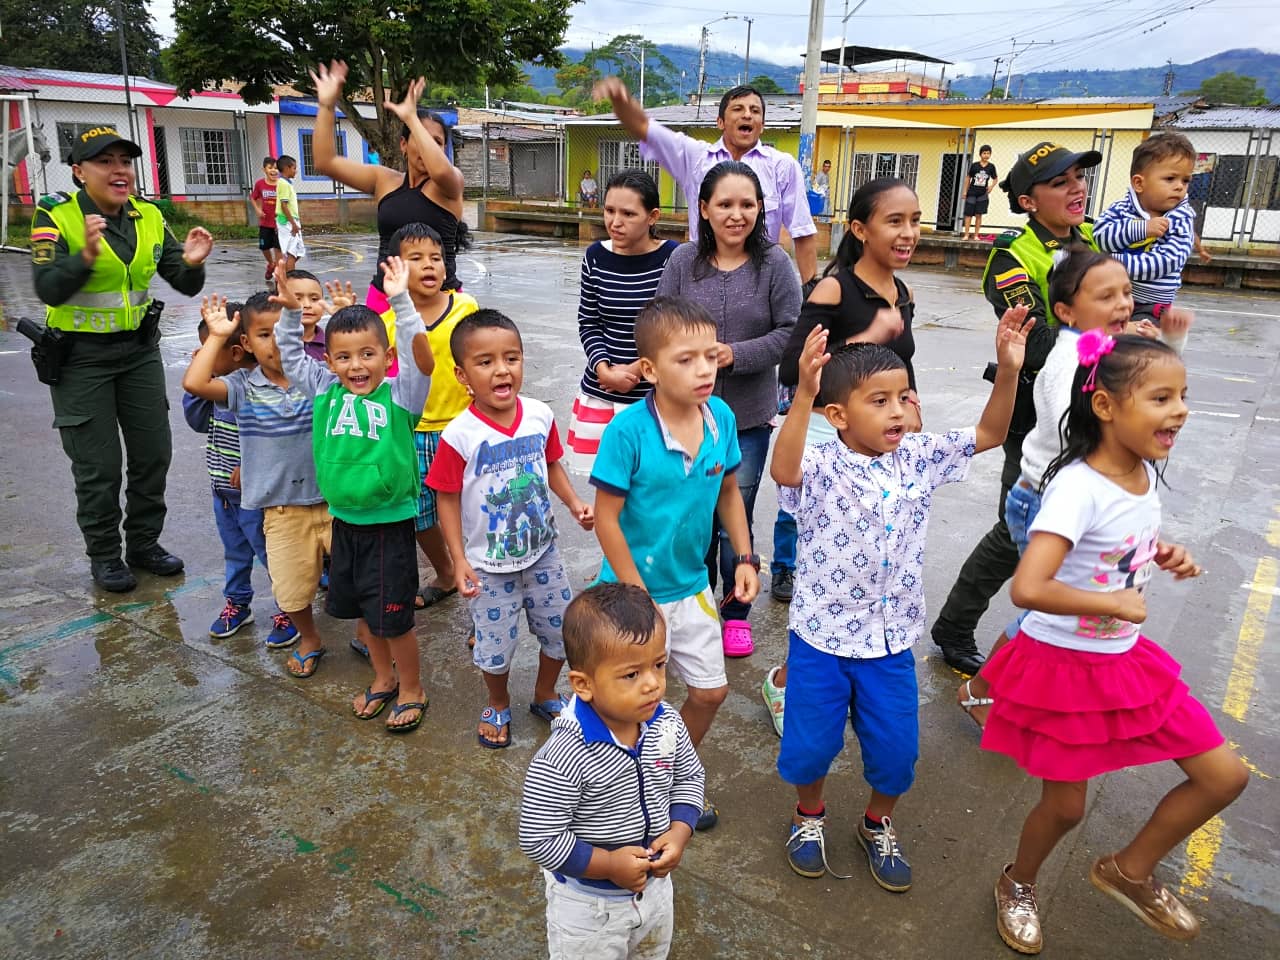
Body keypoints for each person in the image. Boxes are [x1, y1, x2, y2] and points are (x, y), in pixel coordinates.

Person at [984, 332, 1248, 954]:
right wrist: (1110, 601)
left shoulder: (1139, 473)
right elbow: (1028, 586)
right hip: (1063, 667)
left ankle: (1128, 871)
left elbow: (1116, 542)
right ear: (1105, 407)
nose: (1179, 409)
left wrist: (1159, 553)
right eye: (1160, 397)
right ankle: (1017, 883)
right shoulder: (1077, 487)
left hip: (1124, 661)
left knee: (1223, 776)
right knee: (1066, 808)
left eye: (1183, 395)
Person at [773, 308, 1031, 892]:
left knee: (896, 753)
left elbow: (988, 435)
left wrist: (1009, 372)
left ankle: (876, 822)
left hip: (890, 643)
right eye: (879, 400)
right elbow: (783, 468)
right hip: (821, 639)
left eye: (903, 397)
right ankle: (807, 814)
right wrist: (804, 394)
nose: (897, 411)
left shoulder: (918, 456)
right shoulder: (819, 462)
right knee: (810, 748)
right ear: (837, 415)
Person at [956, 248, 1166, 729]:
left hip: (1062, 500)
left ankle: (989, 689)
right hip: (1045, 502)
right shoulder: (1071, 360)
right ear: (1067, 312)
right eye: (1106, 296)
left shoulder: (1095, 349)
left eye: (1127, 294)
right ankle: (987, 690)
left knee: (1061, 610)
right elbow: (1088, 437)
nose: (1122, 305)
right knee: (1050, 609)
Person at [930, 140, 1103, 676]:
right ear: (1028, 202)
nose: (1076, 187)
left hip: (1092, 404)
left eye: (1078, 176)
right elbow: (1041, 338)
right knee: (1017, 529)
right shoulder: (1013, 254)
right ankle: (956, 626)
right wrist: (1114, 337)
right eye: (1060, 181)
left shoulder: (1091, 237)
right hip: (1034, 414)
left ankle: (1054, 644)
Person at [762, 177, 924, 736]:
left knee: (866, 565)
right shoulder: (836, 290)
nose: (908, 233)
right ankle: (787, 680)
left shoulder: (901, 293)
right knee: (822, 575)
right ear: (860, 229)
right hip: (826, 445)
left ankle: (821, 678)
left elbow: (900, 362)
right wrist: (863, 338)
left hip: (877, 448)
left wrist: (910, 400)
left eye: (914, 220)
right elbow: (790, 368)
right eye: (894, 221)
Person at [591, 297, 759, 832]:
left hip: (691, 588)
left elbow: (730, 490)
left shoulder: (722, 418)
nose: (704, 369)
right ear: (649, 369)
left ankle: (662, 775)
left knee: (709, 692)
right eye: (686, 359)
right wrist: (638, 598)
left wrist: (745, 557)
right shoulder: (629, 433)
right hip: (628, 597)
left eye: (710, 356)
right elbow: (607, 520)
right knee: (624, 704)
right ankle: (615, 784)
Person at [30, 124, 211, 592]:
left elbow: (184, 281)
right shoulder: (56, 214)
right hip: (80, 360)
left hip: (138, 353)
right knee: (99, 466)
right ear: (78, 171)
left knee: (154, 454)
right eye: (105, 161)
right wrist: (83, 258)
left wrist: (192, 262)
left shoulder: (148, 215)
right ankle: (106, 556)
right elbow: (47, 286)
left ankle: (144, 544)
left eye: (125, 161)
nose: (119, 170)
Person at [275, 256, 434, 733]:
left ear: (386, 358)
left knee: (394, 618)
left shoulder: (402, 394)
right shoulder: (324, 391)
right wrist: (288, 314)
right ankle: (383, 679)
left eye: (367, 354)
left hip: (389, 525)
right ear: (329, 360)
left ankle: (412, 688)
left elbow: (418, 353)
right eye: (343, 356)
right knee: (366, 614)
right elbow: (288, 356)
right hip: (346, 521)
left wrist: (402, 301)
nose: (355, 365)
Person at [426, 311, 595, 749]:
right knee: (495, 647)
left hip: (544, 554)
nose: (502, 369)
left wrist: (574, 503)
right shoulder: (458, 435)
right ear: (463, 375)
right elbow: (444, 496)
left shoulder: (539, 415)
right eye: (485, 362)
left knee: (562, 633)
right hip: (488, 567)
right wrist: (459, 559)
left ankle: (543, 693)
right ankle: (497, 701)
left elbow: (552, 464)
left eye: (511, 358)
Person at [654, 161, 799, 658]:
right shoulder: (682, 262)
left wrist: (736, 354)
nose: (736, 215)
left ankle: (736, 610)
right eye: (725, 204)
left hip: (749, 416)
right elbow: (662, 320)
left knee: (733, 511)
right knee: (692, 513)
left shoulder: (774, 263)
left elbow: (790, 332)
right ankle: (694, 605)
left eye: (747, 205)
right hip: (682, 415)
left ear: (760, 210)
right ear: (704, 209)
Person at [519, 583, 705, 960]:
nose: (653, 683)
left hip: (654, 891)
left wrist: (680, 831)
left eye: (658, 664)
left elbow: (689, 777)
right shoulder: (565, 755)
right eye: (631, 675)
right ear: (583, 685)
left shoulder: (665, 722)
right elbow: (539, 836)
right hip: (589, 908)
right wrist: (608, 865)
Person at [183, 284, 328, 679]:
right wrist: (215, 337)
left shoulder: (316, 379)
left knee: (355, 580)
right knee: (291, 589)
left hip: (332, 502)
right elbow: (195, 385)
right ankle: (309, 636)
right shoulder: (243, 388)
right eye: (266, 334)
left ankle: (367, 632)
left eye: (286, 332)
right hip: (280, 509)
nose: (277, 343)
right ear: (246, 342)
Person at [594, 78, 819, 287]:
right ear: (720, 121)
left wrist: (811, 296)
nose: (748, 115)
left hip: (760, 284)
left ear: (763, 124)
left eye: (755, 111)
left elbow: (803, 232)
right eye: (738, 109)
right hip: (704, 280)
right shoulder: (696, 159)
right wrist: (620, 102)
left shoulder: (783, 166)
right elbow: (647, 130)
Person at [182, 306, 298, 648]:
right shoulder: (217, 390)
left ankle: (287, 608)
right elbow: (197, 422)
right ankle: (238, 602)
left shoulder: (251, 389)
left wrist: (252, 464)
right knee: (234, 554)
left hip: (256, 495)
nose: (202, 358)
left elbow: (275, 435)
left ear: (234, 353)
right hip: (223, 492)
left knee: (271, 555)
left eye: (208, 351)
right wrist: (199, 380)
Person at [311, 63, 469, 312]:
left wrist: (411, 119)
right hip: (385, 297)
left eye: (437, 141)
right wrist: (327, 105)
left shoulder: (450, 183)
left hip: (439, 300)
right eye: (420, 139)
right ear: (404, 145)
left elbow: (439, 169)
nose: (430, 146)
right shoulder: (384, 180)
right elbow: (325, 162)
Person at [379, 222, 478, 609]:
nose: (429, 266)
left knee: (474, 514)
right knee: (420, 515)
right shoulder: (388, 322)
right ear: (394, 267)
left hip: (463, 428)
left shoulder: (465, 306)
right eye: (415, 258)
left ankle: (482, 603)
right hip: (413, 432)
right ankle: (446, 571)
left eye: (435, 257)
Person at [566, 170, 679, 474]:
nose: (615, 222)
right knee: (609, 490)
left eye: (628, 213)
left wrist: (634, 368)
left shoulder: (673, 258)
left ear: (652, 216)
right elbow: (589, 321)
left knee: (653, 490)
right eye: (610, 211)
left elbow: (677, 329)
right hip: (603, 391)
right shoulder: (595, 257)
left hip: (655, 396)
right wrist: (603, 369)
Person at [1094, 132, 1198, 353]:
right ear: (1139, 183)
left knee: (1136, 351)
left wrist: (1109, 264)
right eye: (1170, 179)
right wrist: (1142, 228)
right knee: (1096, 339)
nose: (1180, 187)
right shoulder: (1122, 208)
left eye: (1185, 180)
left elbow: (1165, 262)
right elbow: (1101, 235)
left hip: (1150, 306)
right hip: (1112, 296)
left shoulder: (1181, 218)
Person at [249, 157, 281, 281]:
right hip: (265, 222)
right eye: (270, 168)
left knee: (278, 248)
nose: (273, 170)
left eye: (276, 168)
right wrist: (257, 209)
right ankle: (271, 263)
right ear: (264, 169)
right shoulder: (260, 184)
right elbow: (253, 197)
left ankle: (278, 272)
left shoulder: (282, 184)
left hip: (279, 223)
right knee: (264, 246)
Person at [274, 155, 305, 271]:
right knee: (292, 252)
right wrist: (293, 224)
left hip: (290, 221)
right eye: (294, 168)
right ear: (287, 168)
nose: (295, 171)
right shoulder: (283, 184)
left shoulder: (287, 183)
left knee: (298, 252)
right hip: (288, 221)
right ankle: (288, 279)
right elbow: (283, 205)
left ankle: (282, 272)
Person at [963, 145, 998, 241]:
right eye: (984, 153)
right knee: (968, 214)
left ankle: (976, 235)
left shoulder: (991, 167)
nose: (986, 155)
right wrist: (965, 191)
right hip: (972, 192)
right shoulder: (974, 165)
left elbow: (995, 179)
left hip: (982, 194)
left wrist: (991, 187)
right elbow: (968, 178)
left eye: (988, 153)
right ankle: (966, 234)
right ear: (980, 154)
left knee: (979, 214)